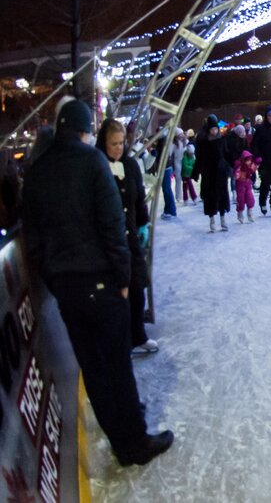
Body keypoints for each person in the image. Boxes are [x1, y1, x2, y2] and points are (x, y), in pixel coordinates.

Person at [20, 99, 173, 466]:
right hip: (101, 282)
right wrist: (123, 278)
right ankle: (133, 442)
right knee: (116, 363)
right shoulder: (91, 162)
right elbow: (112, 226)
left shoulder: (38, 170)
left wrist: (58, 281)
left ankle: (119, 436)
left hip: (68, 290)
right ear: (85, 129)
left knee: (94, 366)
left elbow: (34, 240)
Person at [96, 118, 158, 355]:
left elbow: (138, 198)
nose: (118, 148)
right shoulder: (98, 167)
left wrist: (143, 224)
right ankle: (120, 341)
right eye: (113, 144)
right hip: (110, 243)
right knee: (116, 293)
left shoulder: (130, 166)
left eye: (121, 143)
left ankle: (137, 335)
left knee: (136, 286)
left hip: (130, 238)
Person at [194, 114, 232, 232]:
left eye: (216, 129)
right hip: (209, 174)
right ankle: (212, 220)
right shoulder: (203, 143)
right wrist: (196, 172)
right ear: (208, 129)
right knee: (210, 197)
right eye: (212, 129)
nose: (214, 131)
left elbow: (227, 155)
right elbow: (199, 158)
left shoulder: (222, 141)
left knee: (222, 197)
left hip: (221, 174)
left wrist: (229, 167)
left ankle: (223, 218)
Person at [233, 150, 259, 223]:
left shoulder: (249, 166)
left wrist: (257, 163)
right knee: (241, 199)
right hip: (240, 185)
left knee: (250, 198)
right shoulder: (240, 166)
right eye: (248, 160)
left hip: (247, 184)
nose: (249, 162)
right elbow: (236, 176)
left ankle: (250, 213)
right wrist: (237, 174)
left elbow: (253, 169)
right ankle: (240, 213)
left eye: (250, 160)